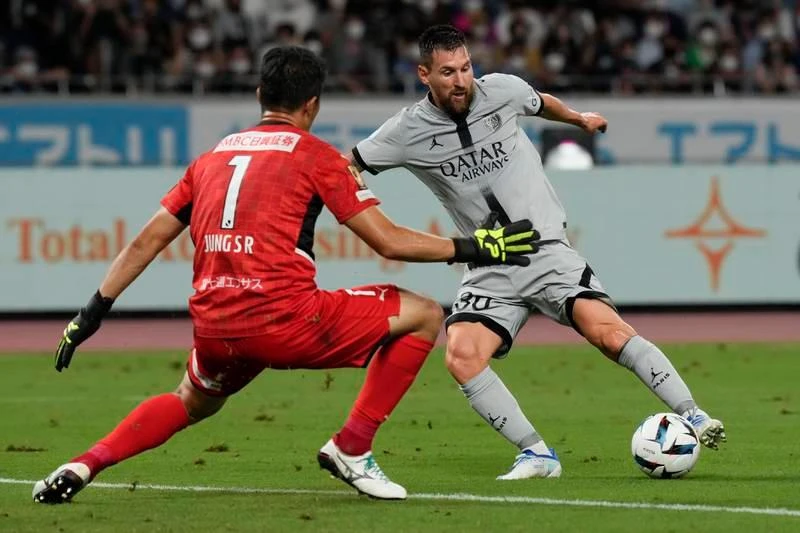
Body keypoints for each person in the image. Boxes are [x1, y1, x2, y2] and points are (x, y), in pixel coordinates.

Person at [32, 46, 540, 504]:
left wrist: (90, 313)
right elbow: (387, 241)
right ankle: (352, 447)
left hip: (214, 328)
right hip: (285, 321)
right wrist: (475, 245)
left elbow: (146, 241)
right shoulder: (318, 157)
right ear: (313, 105)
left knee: (190, 401)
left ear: (260, 95)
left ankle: (85, 463)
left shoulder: (210, 159)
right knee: (426, 315)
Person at [346, 25, 726, 481]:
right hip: (489, 264)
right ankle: (537, 454)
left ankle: (693, 414)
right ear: (424, 74)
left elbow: (541, 102)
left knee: (607, 333)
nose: (462, 80)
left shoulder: (502, 90)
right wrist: (359, 195)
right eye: (448, 73)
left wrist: (579, 119)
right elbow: (349, 164)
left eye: (466, 68)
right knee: (462, 354)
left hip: (547, 251)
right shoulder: (406, 130)